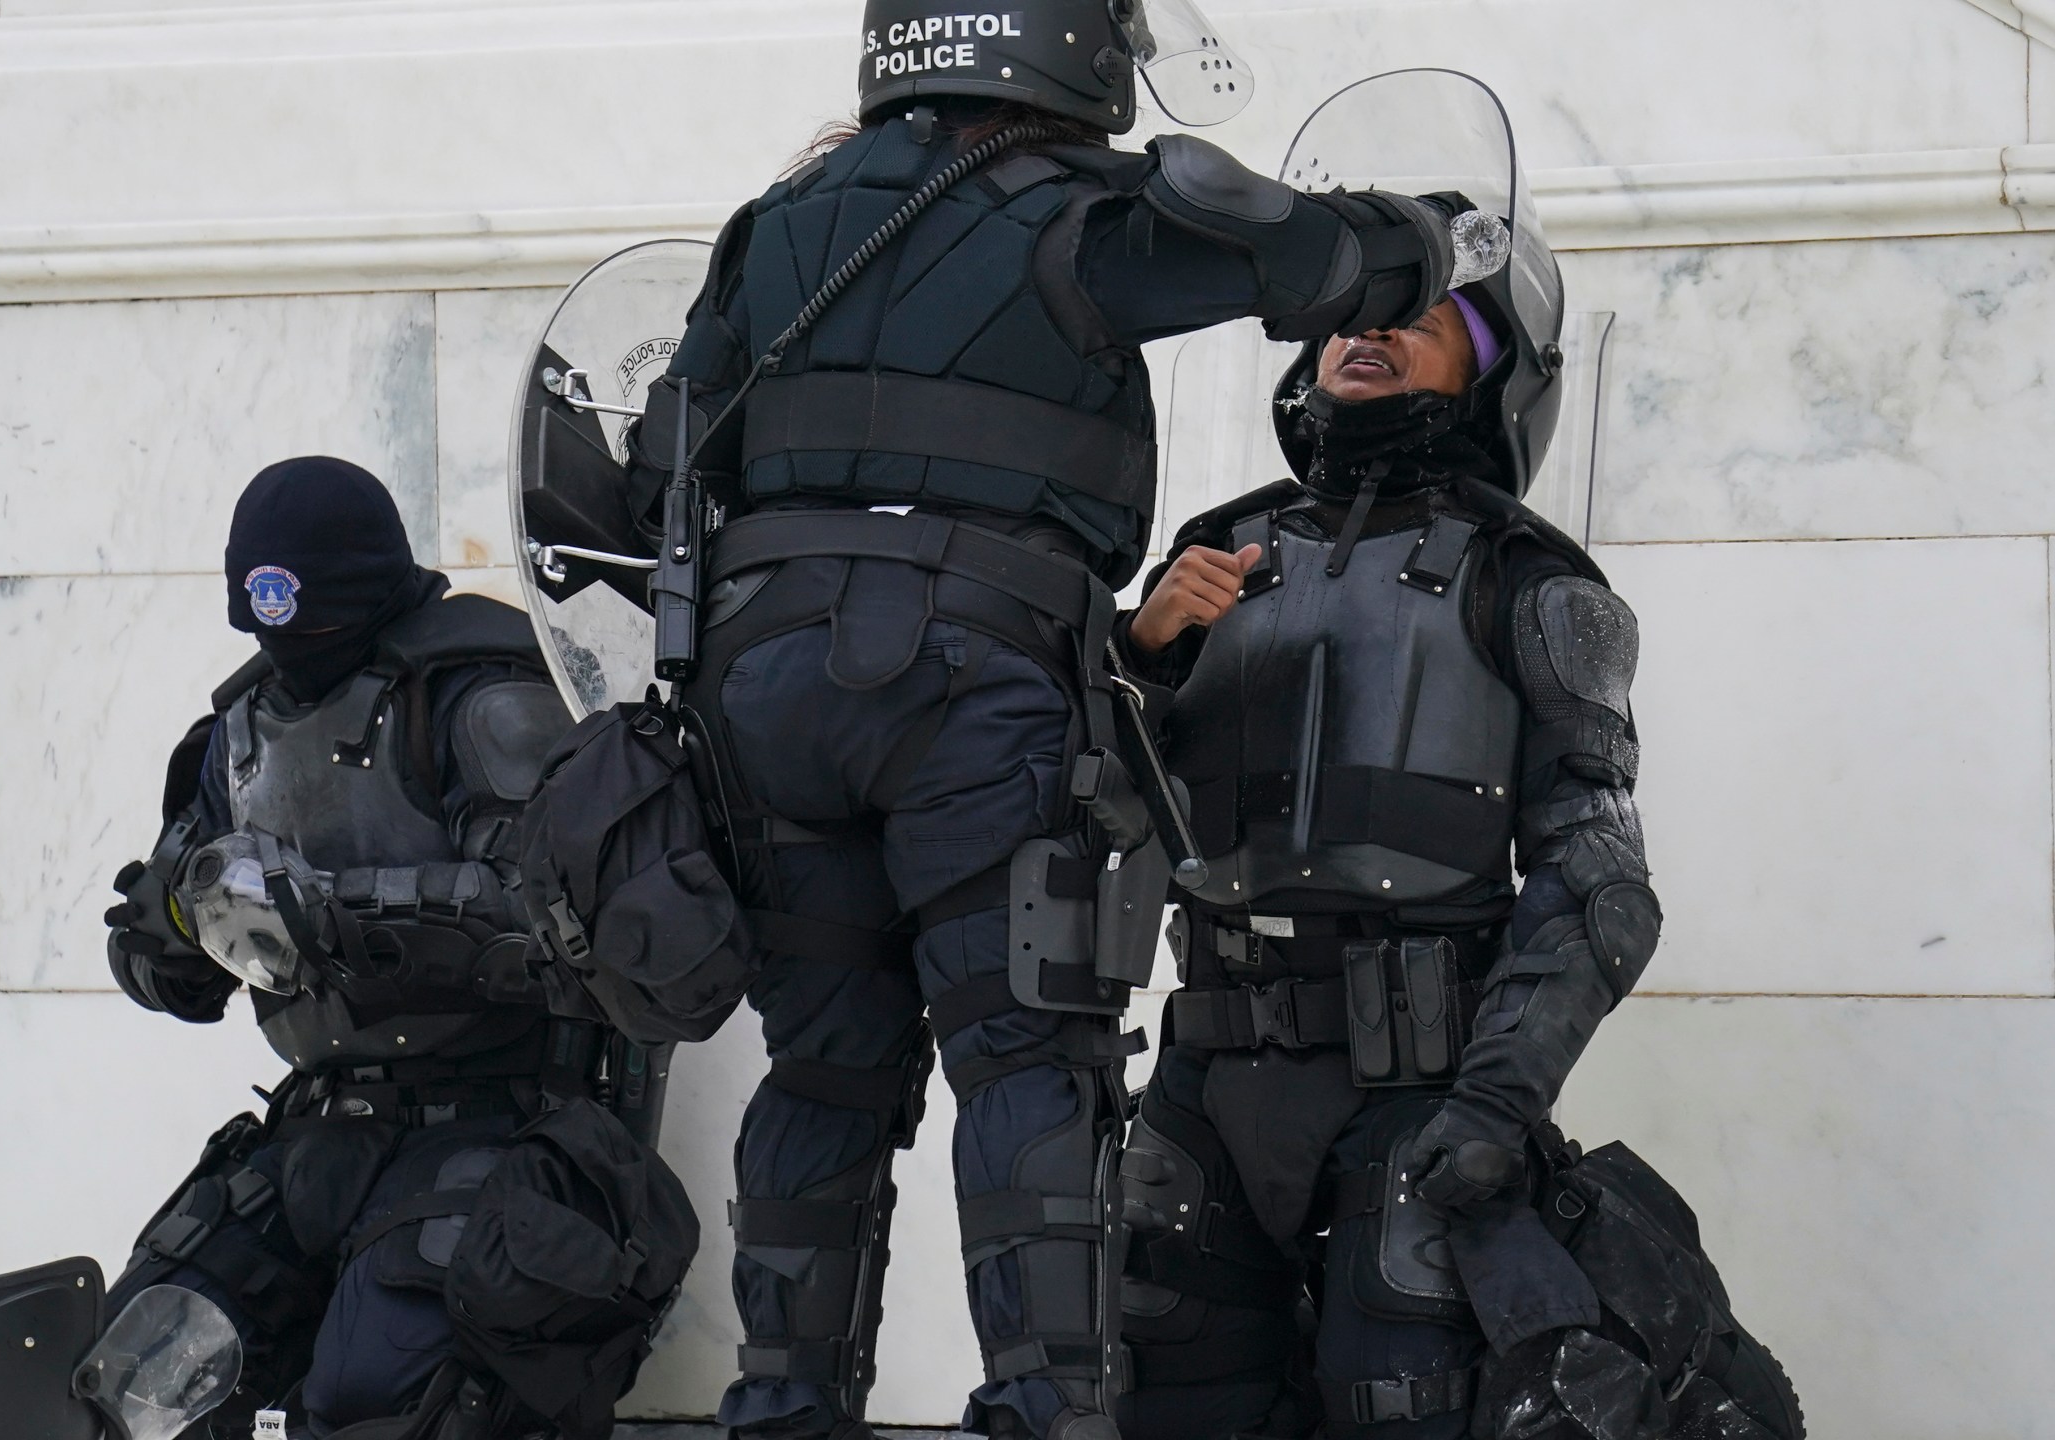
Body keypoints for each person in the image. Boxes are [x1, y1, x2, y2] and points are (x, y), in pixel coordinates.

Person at [593, 7, 1486, 1440]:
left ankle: (780, 1412)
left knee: (821, 1068)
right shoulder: (1078, 214)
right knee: (1025, 1059)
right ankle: (1046, 1414)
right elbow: (1332, 266)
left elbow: (653, 468)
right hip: (968, 680)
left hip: (766, 698)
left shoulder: (779, 223)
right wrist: (1418, 239)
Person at [1113, 247, 1798, 1436]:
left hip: (1415, 1095)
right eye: (1350, 315)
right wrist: (1139, 654)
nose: (1366, 334)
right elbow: (1080, 813)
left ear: (1493, 372)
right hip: (1201, 1083)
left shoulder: (1530, 580)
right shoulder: (1212, 555)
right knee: (1166, 1403)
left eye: (1420, 318)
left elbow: (1599, 891)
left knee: (1402, 1403)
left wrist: (1489, 1110)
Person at [97, 456, 682, 1440]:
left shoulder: (477, 698)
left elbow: (565, 927)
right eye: (268, 621)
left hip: (496, 1117)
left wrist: (333, 915)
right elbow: (176, 974)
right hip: (317, 1128)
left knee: (385, 1404)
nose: (294, 650)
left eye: (314, 622)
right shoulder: (236, 732)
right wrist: (174, 932)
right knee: (137, 1384)